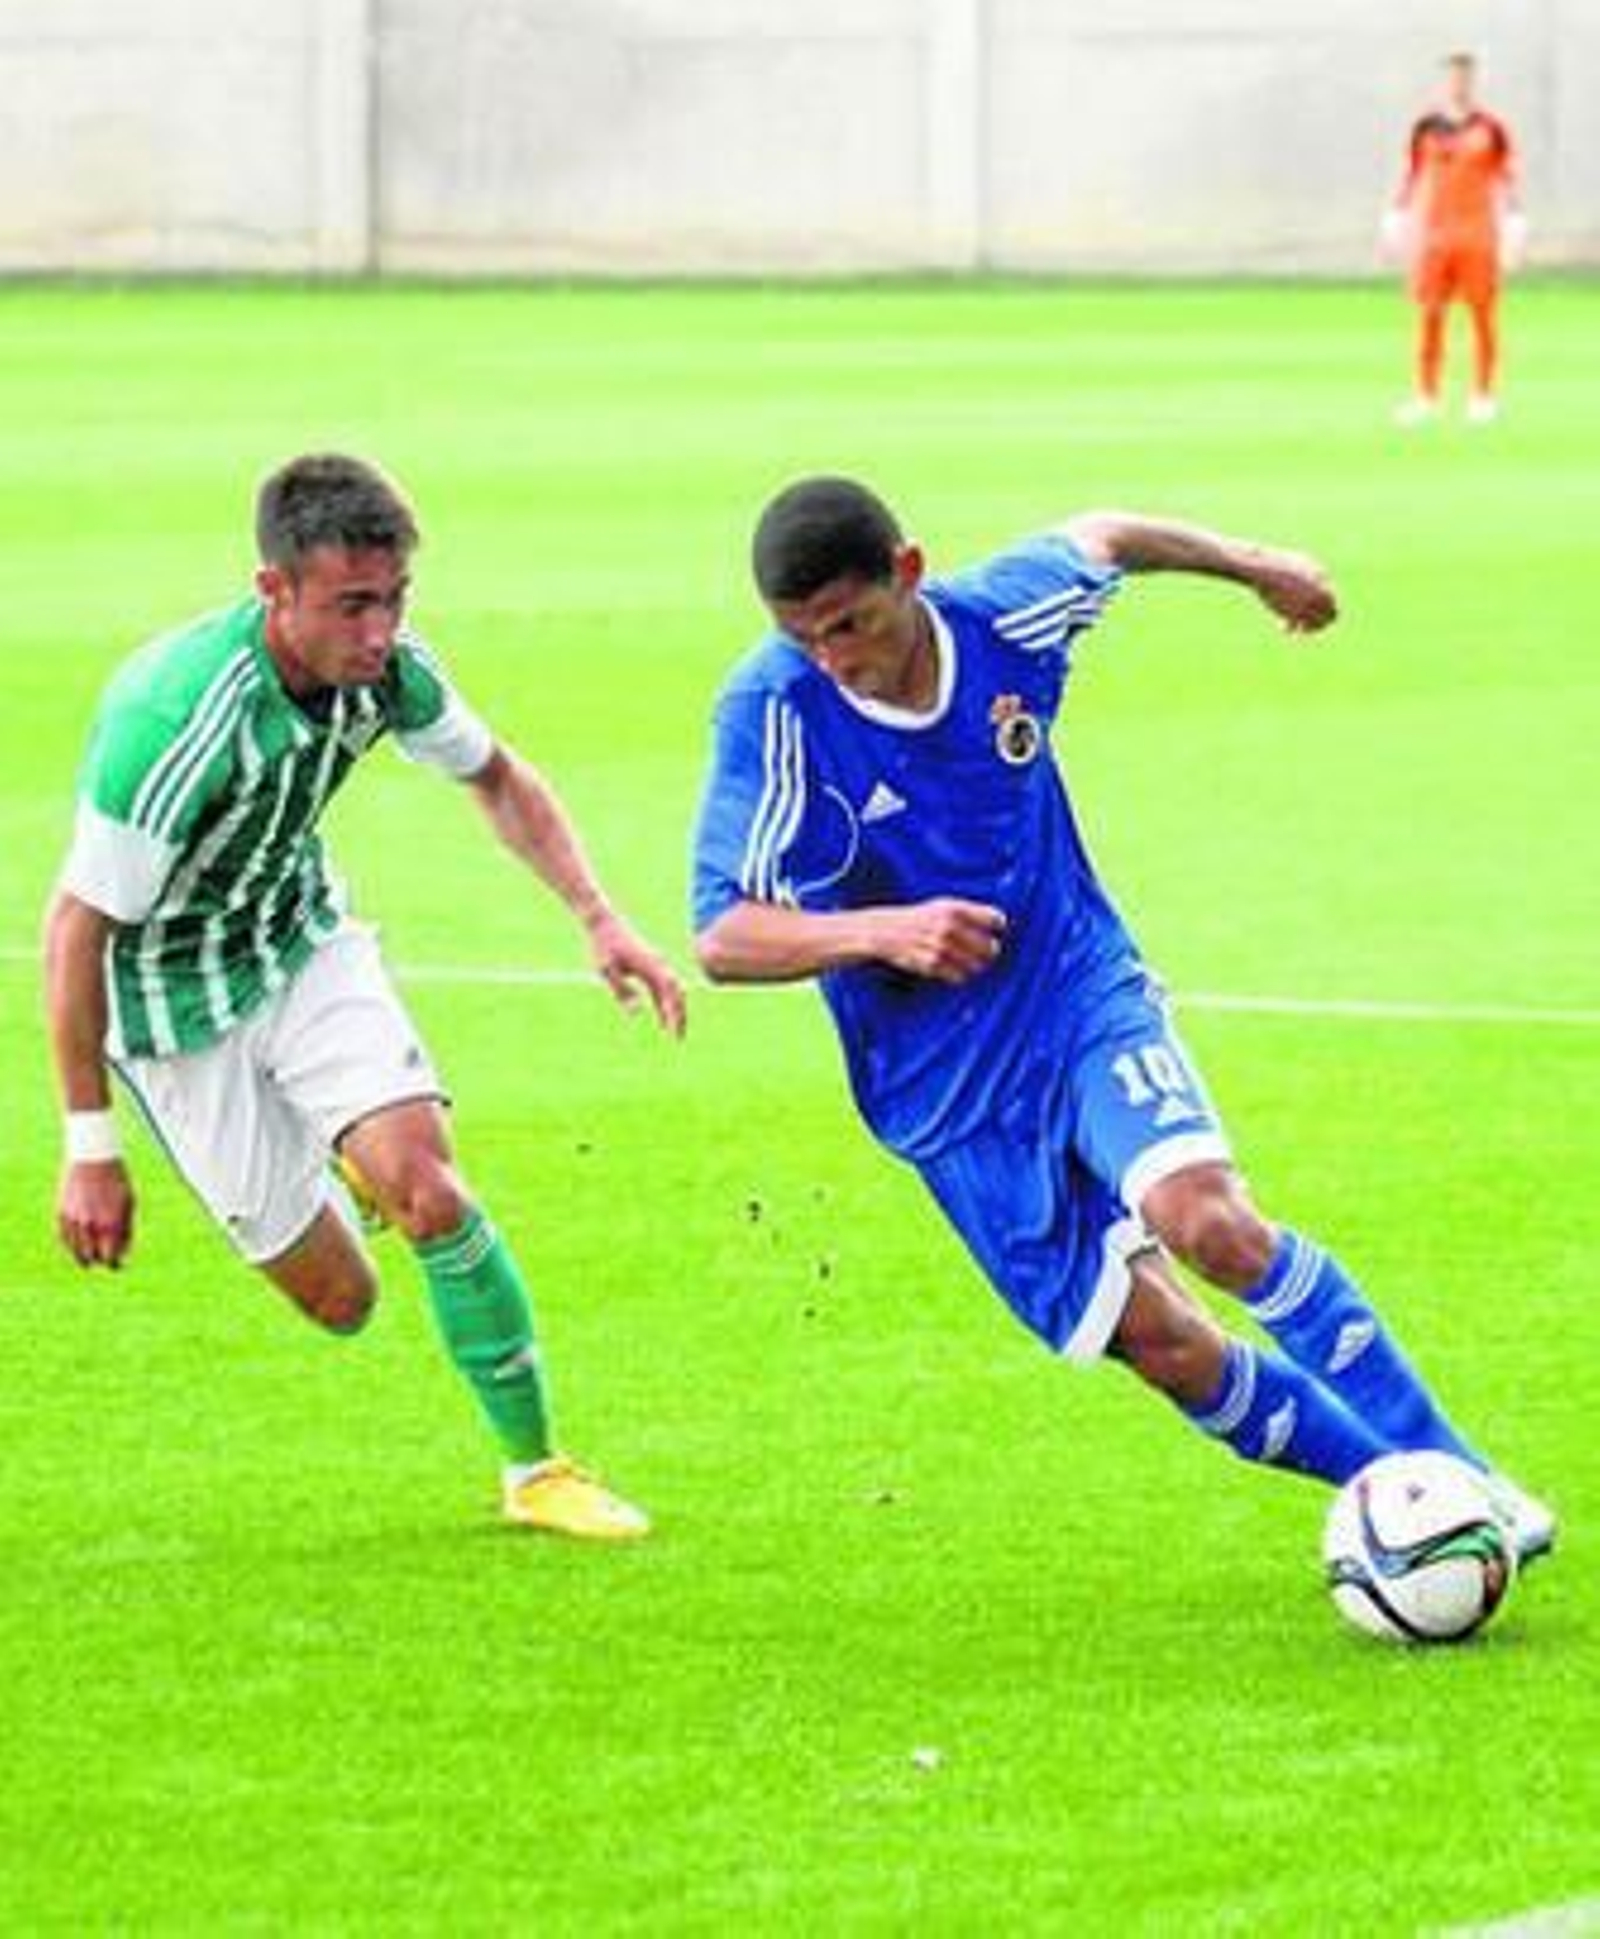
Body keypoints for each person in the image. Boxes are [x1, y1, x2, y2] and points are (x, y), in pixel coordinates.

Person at [691, 475, 1555, 1559]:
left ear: (908, 572)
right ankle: (1412, 1496)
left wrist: (1258, 566)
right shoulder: (772, 710)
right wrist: (882, 931)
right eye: (802, 636)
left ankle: (1468, 1485)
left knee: (1209, 1220)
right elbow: (722, 933)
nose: (830, 656)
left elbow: (1105, 535)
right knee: (1166, 1345)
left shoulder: (1003, 616)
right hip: (940, 1090)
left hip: (1072, 991)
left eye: (848, 624)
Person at [45, 452, 685, 1540]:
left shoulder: (387, 672)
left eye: (394, 599)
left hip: (300, 947)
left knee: (430, 1190)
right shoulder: (175, 721)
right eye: (352, 605)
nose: (380, 631)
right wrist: (90, 1148)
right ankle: (338, 1155)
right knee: (344, 1304)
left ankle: (537, 1470)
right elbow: (75, 933)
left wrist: (599, 915)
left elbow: (497, 775)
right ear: (274, 590)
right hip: (170, 1014)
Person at [1383, 51, 1524, 426]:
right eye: (1452, 77)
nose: (1458, 84)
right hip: (1434, 237)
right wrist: (1396, 215)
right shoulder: (1425, 127)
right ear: (1442, 82)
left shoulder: (1491, 129)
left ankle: (1483, 396)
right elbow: (1411, 174)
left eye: (1465, 77)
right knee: (1430, 315)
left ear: (1473, 82)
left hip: (1477, 236)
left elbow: (1506, 178)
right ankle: (1426, 397)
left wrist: (1514, 222)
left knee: (1482, 315)